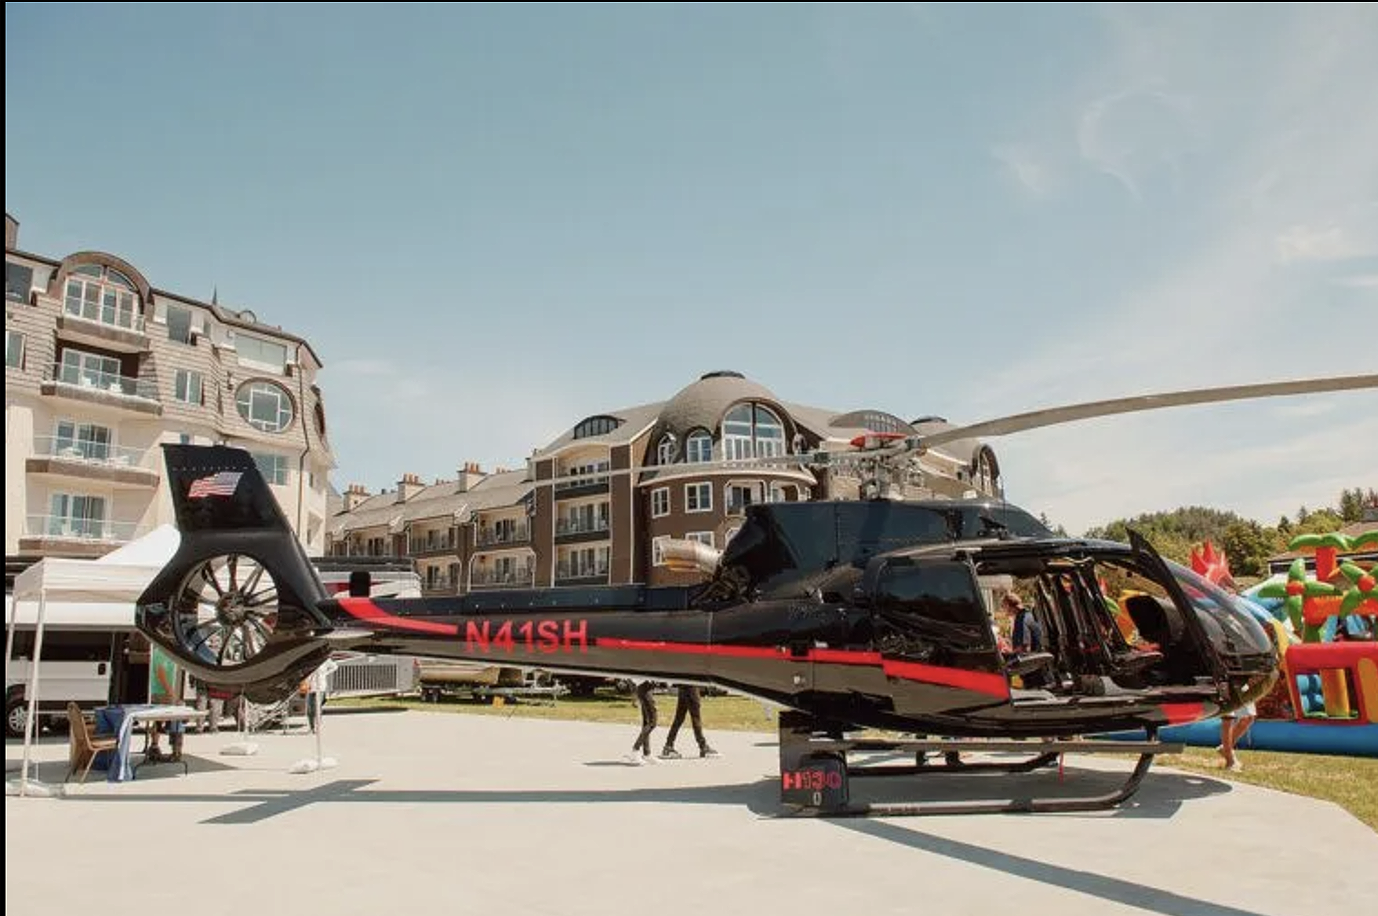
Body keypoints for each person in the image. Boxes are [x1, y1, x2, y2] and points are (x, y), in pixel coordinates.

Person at [660, 685, 719, 759]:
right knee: (695, 719)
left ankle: (668, 746)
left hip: (682, 688)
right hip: (691, 688)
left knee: (678, 719)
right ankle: (703, 747)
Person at [626, 679, 660, 765]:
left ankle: (647, 754)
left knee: (646, 722)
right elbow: (630, 680)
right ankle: (635, 751)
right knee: (653, 722)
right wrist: (634, 696)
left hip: (645, 689)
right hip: (644, 689)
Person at [1219, 701, 1256, 772]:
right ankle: (1230, 762)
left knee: (1248, 717)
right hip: (1224, 691)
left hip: (1243, 690)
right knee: (1228, 718)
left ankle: (1225, 748)